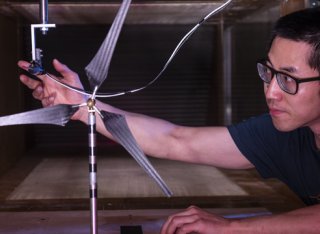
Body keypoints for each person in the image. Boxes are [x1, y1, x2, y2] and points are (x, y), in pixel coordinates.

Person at [17, 6, 320, 234]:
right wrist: (84, 107)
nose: (271, 92)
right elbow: (177, 141)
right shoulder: (281, 134)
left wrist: (233, 228)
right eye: (268, 73)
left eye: (287, 80)